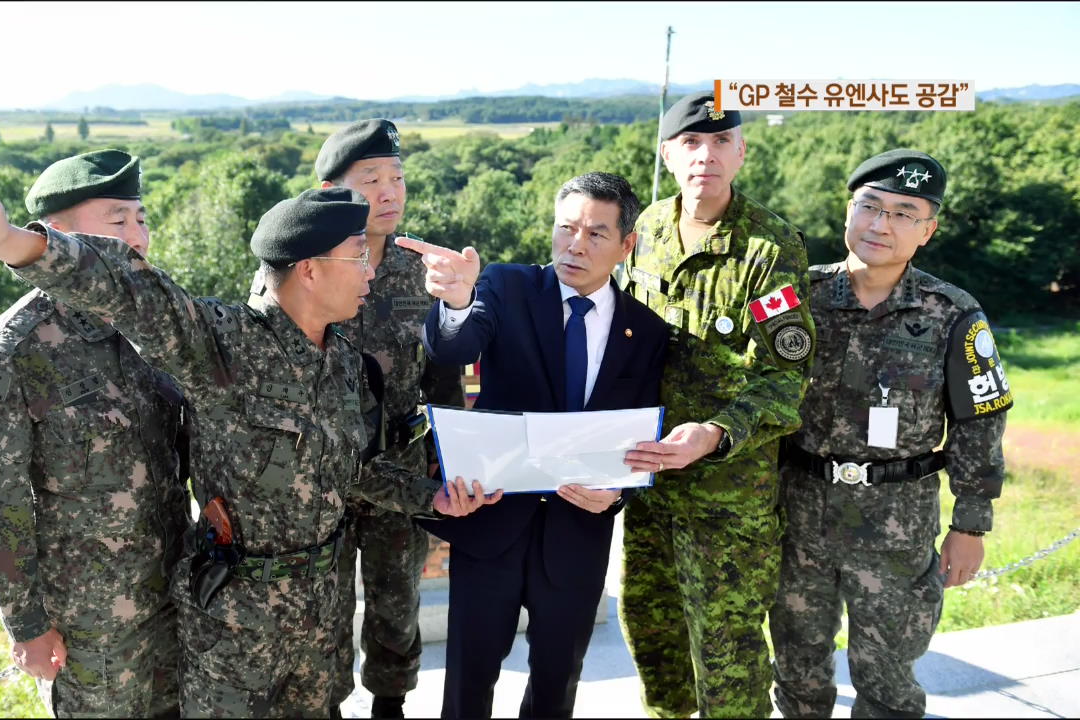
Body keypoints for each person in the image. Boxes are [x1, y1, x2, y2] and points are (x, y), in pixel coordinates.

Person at [0, 130, 499, 719]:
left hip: (295, 614)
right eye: (117, 220)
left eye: (141, 218)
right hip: (190, 620)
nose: (370, 271)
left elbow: (342, 470)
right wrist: (10, 241)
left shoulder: (339, 359)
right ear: (309, 270)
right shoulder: (219, 343)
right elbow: (130, 291)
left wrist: (432, 496)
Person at [398, 171, 670, 718]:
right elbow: (457, 343)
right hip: (493, 523)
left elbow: (645, 436)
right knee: (468, 682)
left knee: (556, 684)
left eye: (596, 233)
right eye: (566, 228)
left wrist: (618, 493)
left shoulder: (648, 331)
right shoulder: (506, 287)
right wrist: (455, 301)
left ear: (627, 244)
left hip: (578, 536)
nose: (576, 244)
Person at [0, 148, 191, 717]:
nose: (136, 235)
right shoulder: (13, 351)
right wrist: (27, 625)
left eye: (141, 217)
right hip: (90, 630)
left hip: (177, 605)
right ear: (55, 235)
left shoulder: (154, 328)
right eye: (116, 220)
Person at [771, 149, 1011, 718]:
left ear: (927, 230)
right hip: (797, 512)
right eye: (870, 206)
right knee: (796, 668)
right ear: (848, 212)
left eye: (904, 213)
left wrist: (970, 526)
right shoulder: (793, 298)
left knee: (888, 681)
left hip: (896, 526)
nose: (882, 224)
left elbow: (980, 421)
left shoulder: (952, 312)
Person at [617, 91, 817, 717]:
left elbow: (787, 377)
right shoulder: (644, 230)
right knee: (655, 646)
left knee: (729, 667)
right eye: (692, 142)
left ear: (741, 152)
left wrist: (716, 432)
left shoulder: (769, 247)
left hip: (727, 500)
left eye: (721, 141)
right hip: (648, 488)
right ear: (668, 154)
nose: (707, 154)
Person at [294, 119, 465, 719]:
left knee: (398, 605)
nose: (389, 192)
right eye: (371, 180)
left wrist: (446, 469)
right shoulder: (303, 263)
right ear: (329, 188)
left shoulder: (426, 267)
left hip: (402, 468)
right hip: (325, 475)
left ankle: (390, 702)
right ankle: (331, 704)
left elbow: (444, 373)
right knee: (324, 607)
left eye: (396, 178)